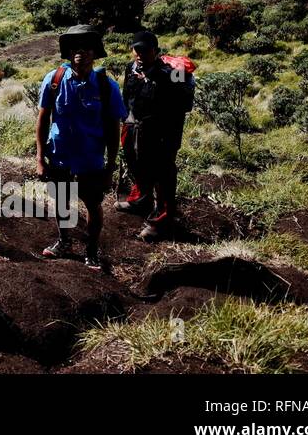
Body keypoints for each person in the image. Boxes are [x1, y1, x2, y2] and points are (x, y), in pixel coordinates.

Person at [35, 24, 126, 270]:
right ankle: (64, 241)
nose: (81, 53)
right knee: (61, 200)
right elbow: (43, 120)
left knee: (92, 204)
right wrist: (40, 158)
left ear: (94, 52)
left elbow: (113, 130)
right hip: (60, 155)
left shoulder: (107, 88)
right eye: (76, 47)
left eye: (86, 48)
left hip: (91, 158)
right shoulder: (53, 81)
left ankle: (92, 250)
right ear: (68, 52)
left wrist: (110, 168)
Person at [116, 29, 192, 241]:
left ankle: (162, 220)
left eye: (145, 51)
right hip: (135, 125)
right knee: (136, 163)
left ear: (156, 51)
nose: (140, 54)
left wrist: (155, 82)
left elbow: (183, 103)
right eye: (136, 50)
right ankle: (141, 200)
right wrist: (126, 120)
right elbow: (126, 96)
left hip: (162, 132)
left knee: (163, 174)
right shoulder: (130, 68)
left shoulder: (172, 72)